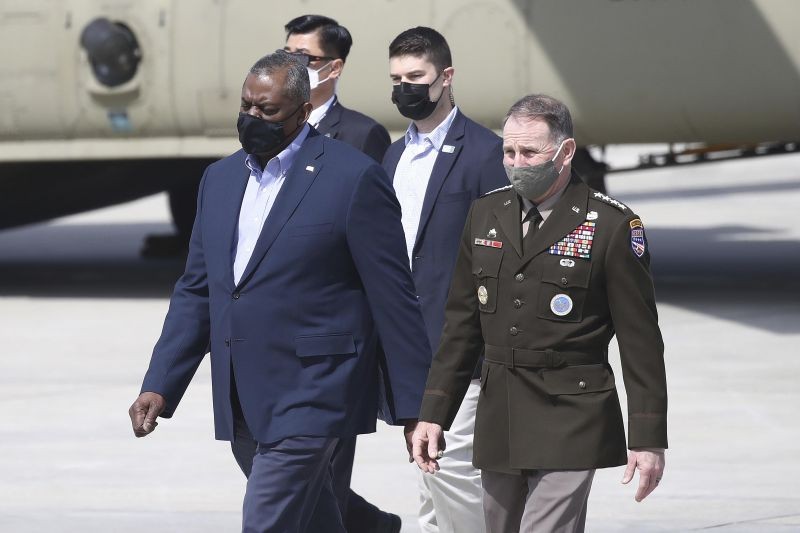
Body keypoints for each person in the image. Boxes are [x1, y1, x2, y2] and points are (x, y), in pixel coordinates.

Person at [127, 51, 431, 533]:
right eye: (247, 106)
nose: (253, 118)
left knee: (266, 521)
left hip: (317, 388)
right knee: (315, 519)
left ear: (303, 111)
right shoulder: (220, 179)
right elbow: (198, 290)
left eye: (268, 111)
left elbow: (394, 299)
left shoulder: (352, 178)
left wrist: (417, 408)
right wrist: (161, 382)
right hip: (242, 390)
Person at [411, 94, 668, 533]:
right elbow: (461, 326)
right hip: (501, 412)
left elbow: (640, 341)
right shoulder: (485, 213)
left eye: (529, 152)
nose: (516, 163)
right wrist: (434, 413)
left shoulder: (610, 226)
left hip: (571, 411)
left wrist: (647, 438)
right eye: (508, 152)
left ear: (565, 153)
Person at [382, 27, 508, 533]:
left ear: (446, 78)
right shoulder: (393, 158)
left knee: (453, 476)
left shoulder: (483, 153)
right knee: (430, 482)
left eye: (417, 77)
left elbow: (500, 261)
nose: (405, 88)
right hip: (411, 353)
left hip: (461, 355)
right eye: (396, 79)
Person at [283, 15, 391, 163]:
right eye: (286, 55)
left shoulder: (363, 133)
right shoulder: (272, 121)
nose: (291, 65)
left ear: (334, 68)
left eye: (302, 57)